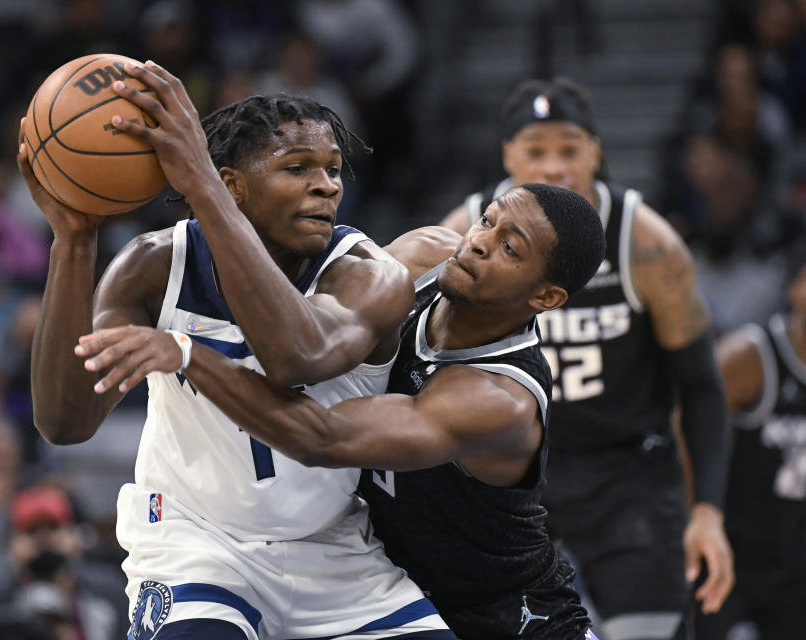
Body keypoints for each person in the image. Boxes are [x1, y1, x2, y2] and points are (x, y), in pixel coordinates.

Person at [19, 60, 453, 639]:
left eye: (332, 169)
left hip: (332, 552)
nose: (326, 185)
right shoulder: (154, 267)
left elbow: (299, 356)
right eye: (296, 168)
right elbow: (65, 422)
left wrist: (199, 186)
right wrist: (73, 242)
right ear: (233, 185)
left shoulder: (368, 274)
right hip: (194, 542)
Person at [76, 183, 605, 639]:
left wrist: (190, 353)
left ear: (547, 296)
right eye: (488, 220)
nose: (481, 242)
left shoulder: (498, 398)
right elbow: (304, 336)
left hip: (508, 614)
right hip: (382, 588)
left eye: (510, 248)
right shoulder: (418, 259)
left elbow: (323, 436)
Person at [439, 78, 734, 640]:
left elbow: (700, 385)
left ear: (596, 152)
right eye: (536, 150)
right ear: (507, 156)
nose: (554, 167)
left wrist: (709, 512)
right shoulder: (463, 235)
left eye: (569, 150)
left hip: (627, 476)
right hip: (512, 475)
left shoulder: (647, 243)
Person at [696, 251, 806, 640]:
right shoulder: (749, 356)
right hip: (730, 549)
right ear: (795, 288)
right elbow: (687, 430)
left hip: (794, 557)